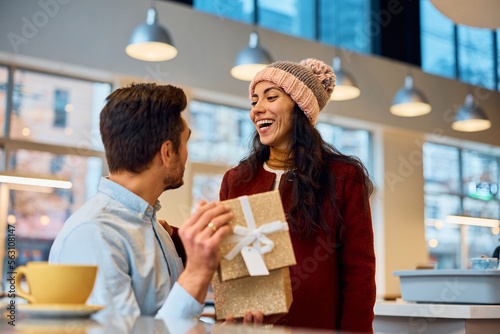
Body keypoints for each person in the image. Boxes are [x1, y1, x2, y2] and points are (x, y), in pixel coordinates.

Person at [49, 83, 235, 320]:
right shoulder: (94, 233)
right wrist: (197, 271)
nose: (188, 154)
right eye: (186, 142)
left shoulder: (157, 230)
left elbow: (170, 318)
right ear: (167, 152)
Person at [219, 59, 376, 332]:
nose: (257, 109)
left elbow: (359, 273)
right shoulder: (237, 180)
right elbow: (225, 256)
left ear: (300, 107)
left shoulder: (342, 177)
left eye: (271, 97)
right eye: (254, 101)